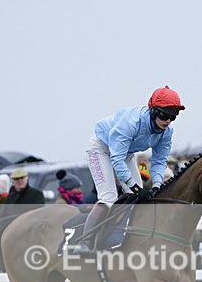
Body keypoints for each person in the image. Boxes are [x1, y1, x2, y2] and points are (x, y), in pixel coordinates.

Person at [77, 85, 184, 254]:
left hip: (126, 153)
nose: (168, 121)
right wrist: (133, 186)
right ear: (154, 111)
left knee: (139, 199)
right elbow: (116, 159)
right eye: (165, 115)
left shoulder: (166, 132)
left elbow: (159, 161)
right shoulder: (132, 123)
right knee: (109, 197)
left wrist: (156, 185)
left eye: (173, 116)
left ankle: (123, 238)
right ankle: (84, 242)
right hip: (101, 149)